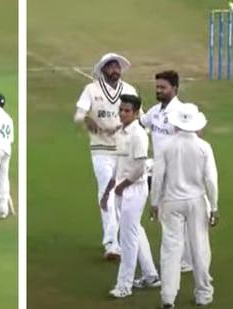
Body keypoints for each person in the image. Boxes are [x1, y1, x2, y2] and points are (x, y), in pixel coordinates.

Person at [150, 103, 220, 308]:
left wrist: (154, 202)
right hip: (197, 201)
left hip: (171, 201)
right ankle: (204, 293)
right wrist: (214, 207)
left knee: (171, 249)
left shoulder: (165, 146)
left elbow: (157, 177)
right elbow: (211, 180)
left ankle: (168, 297)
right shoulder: (204, 147)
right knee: (199, 247)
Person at [73, 52, 139, 260]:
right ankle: (111, 242)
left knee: (122, 195)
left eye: (117, 67)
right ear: (103, 70)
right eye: (110, 67)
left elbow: (140, 118)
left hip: (123, 150)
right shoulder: (91, 90)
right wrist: (87, 121)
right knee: (107, 193)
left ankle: (119, 239)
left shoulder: (129, 90)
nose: (115, 70)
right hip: (101, 149)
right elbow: (78, 115)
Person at [101, 94, 160, 298]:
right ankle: (150, 274)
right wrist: (109, 189)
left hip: (134, 189)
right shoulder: (121, 132)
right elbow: (119, 165)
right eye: (121, 110)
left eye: (127, 111)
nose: (122, 114)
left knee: (127, 238)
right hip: (121, 188)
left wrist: (122, 186)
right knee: (134, 231)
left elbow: (140, 168)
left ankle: (124, 286)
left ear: (136, 113)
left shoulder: (138, 134)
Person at [139, 70, 193, 273]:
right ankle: (179, 258)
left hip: (177, 172)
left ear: (175, 89)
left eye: (163, 87)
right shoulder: (156, 111)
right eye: (157, 87)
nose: (159, 91)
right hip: (159, 171)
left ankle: (185, 260)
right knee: (166, 217)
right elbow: (140, 122)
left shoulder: (181, 112)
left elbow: (195, 137)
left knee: (176, 218)